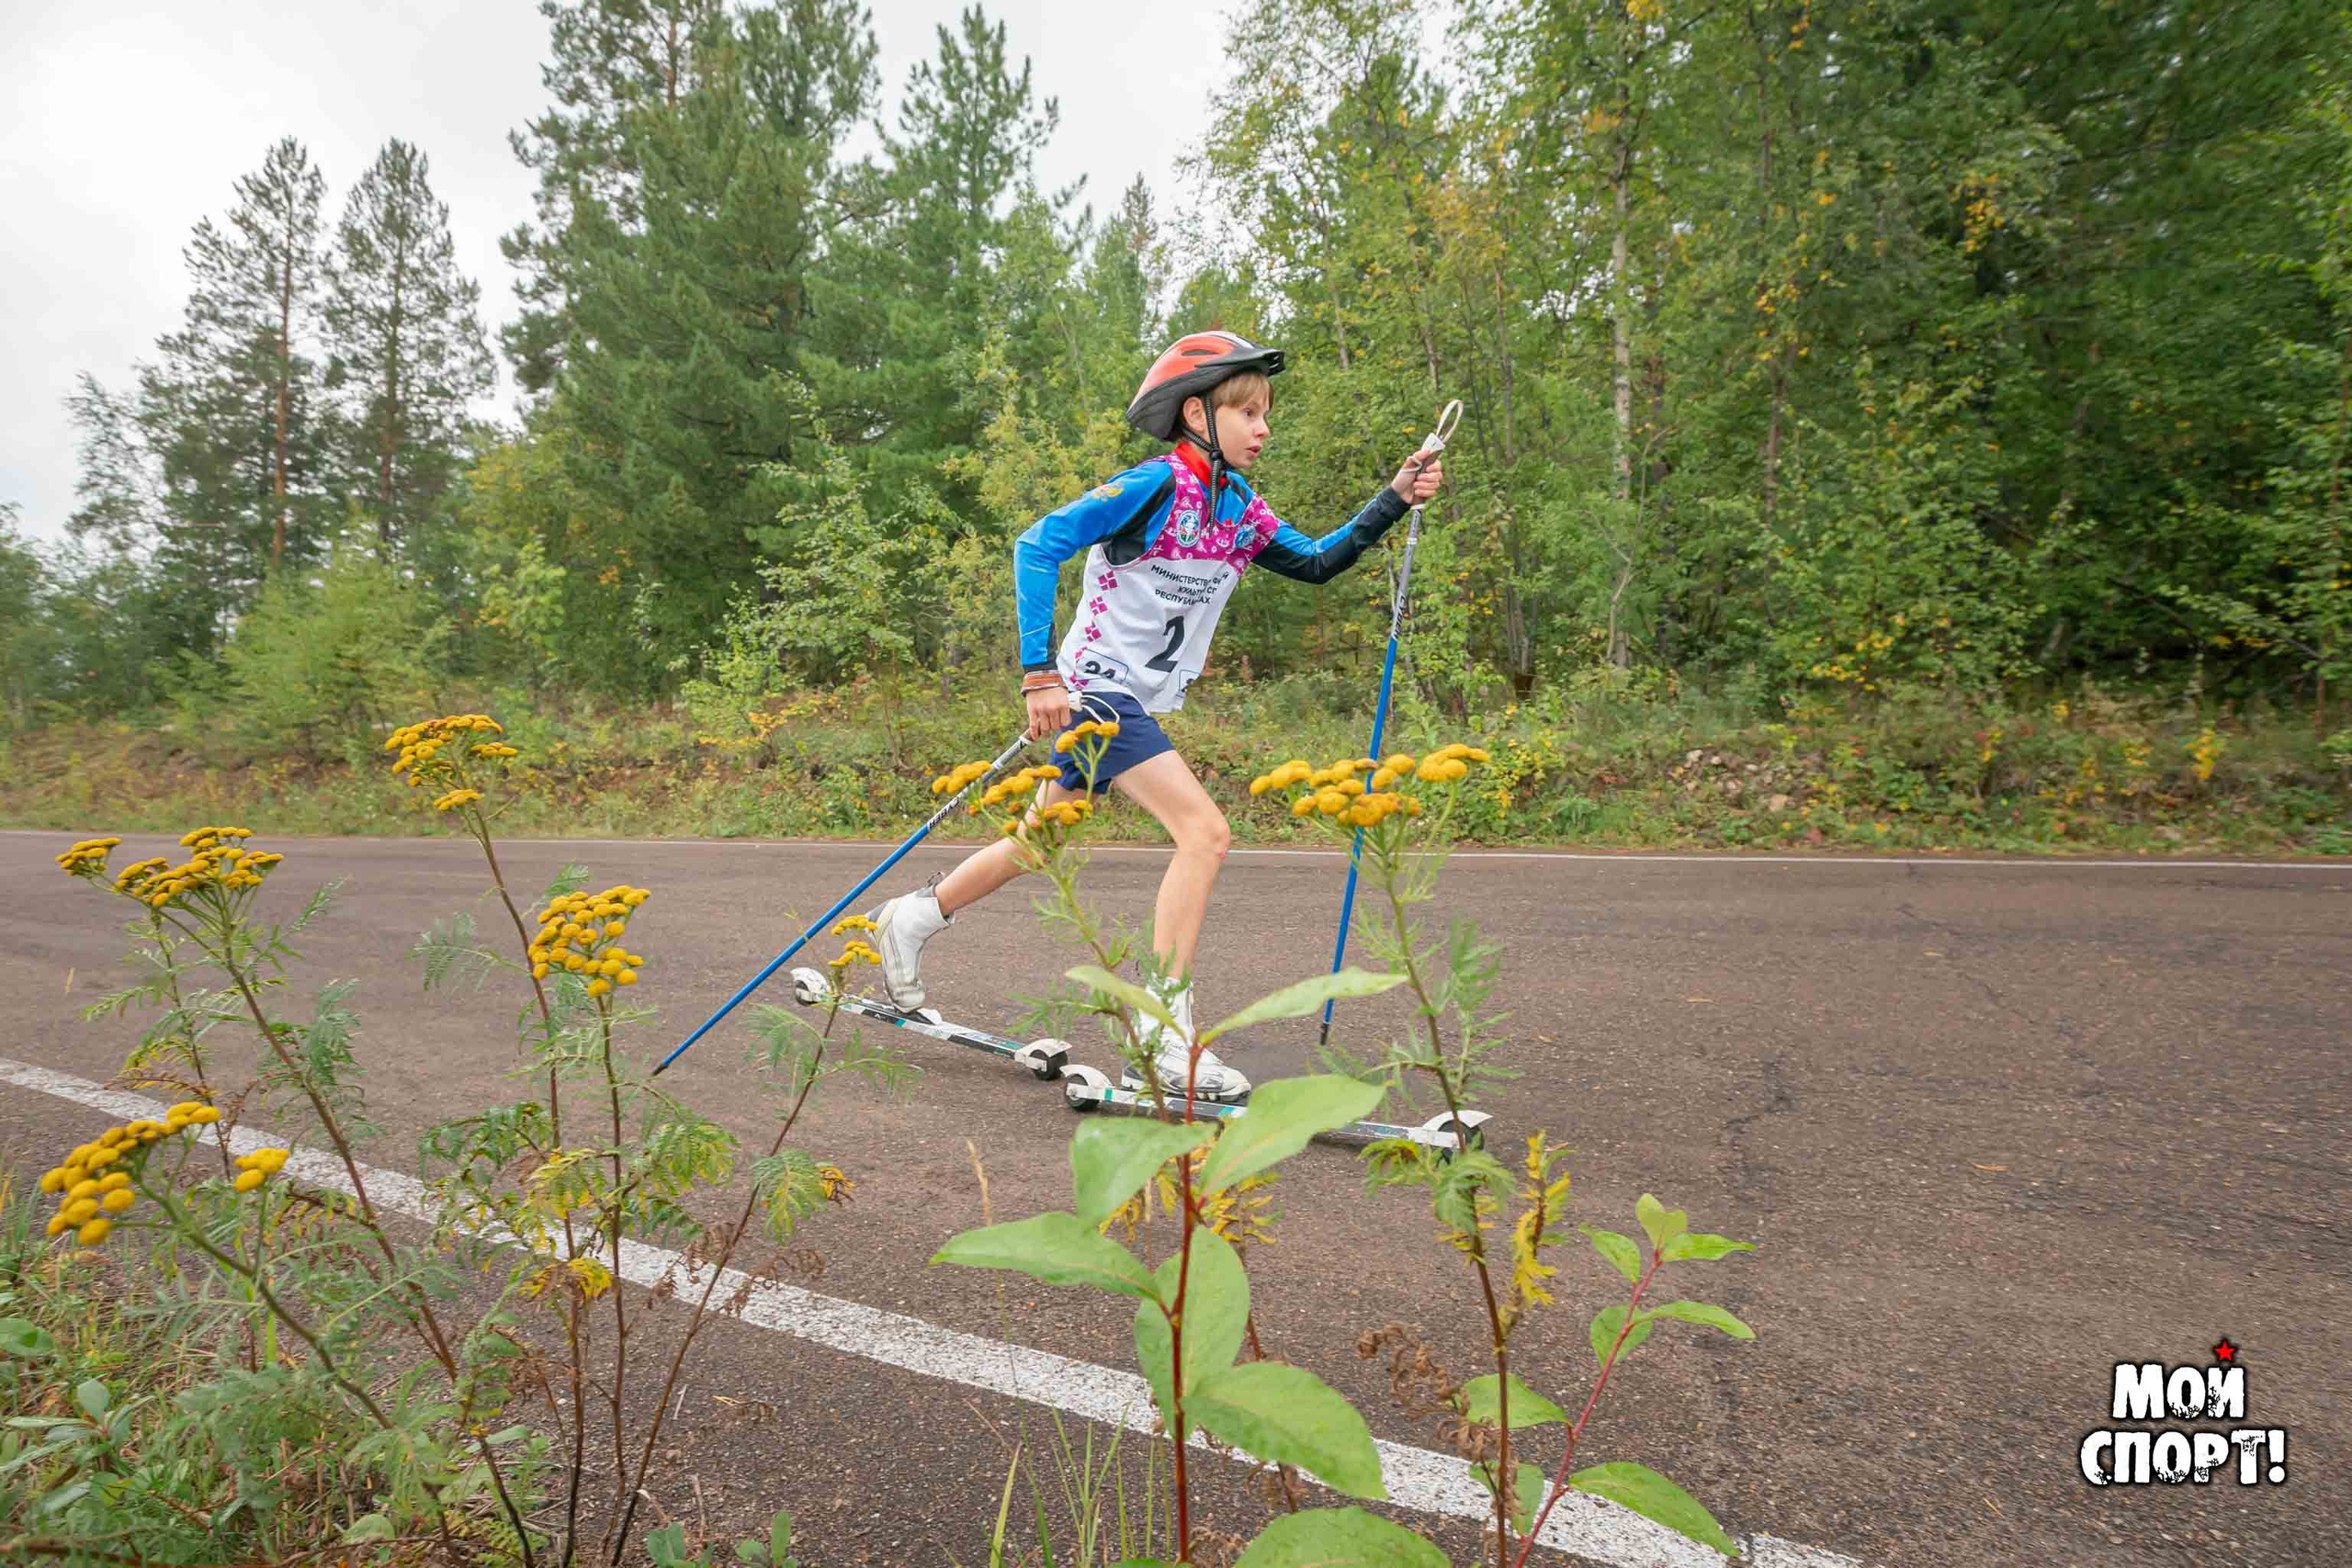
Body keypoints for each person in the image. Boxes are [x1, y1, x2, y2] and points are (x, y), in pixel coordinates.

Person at [866, 331, 1444, 1101]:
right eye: (1247, 411)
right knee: (1204, 832)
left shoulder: (1241, 509)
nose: (1263, 427)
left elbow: (1314, 562)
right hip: (1096, 687)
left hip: (1127, 696)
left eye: (1266, 412)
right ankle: (1166, 1034)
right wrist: (1039, 674)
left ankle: (910, 919)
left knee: (1042, 838)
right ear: (1197, 412)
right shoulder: (1152, 484)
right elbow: (1036, 546)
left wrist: (1393, 499)